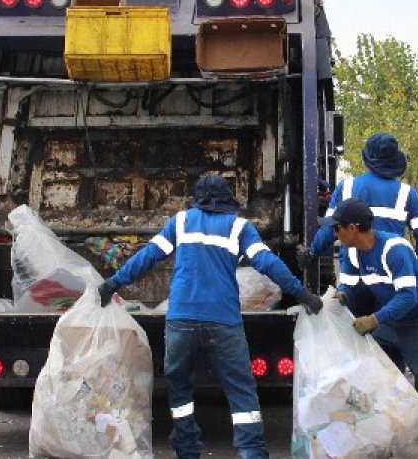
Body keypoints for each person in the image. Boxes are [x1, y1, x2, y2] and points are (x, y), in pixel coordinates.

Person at [98, 174, 324, 459]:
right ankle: (251, 452)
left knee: (179, 387)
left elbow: (149, 256)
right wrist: (301, 293)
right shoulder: (239, 227)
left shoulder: (180, 222)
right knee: (241, 390)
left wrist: (112, 284)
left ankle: (187, 448)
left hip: (181, 320)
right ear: (227, 198)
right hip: (223, 322)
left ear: (198, 197)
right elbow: (267, 262)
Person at [325, 198, 418, 459]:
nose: (334, 234)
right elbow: (356, 287)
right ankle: (386, 439)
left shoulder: (394, 249)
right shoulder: (354, 252)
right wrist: (344, 295)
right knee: (378, 375)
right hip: (392, 318)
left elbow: (407, 297)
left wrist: (375, 320)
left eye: (337, 228)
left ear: (353, 228)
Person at [298, 132, 418, 269]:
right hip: (390, 274)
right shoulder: (407, 193)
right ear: (394, 161)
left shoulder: (346, 187)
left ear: (367, 159)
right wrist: (417, 265)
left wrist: (311, 253)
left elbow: (329, 229)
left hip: (353, 278)